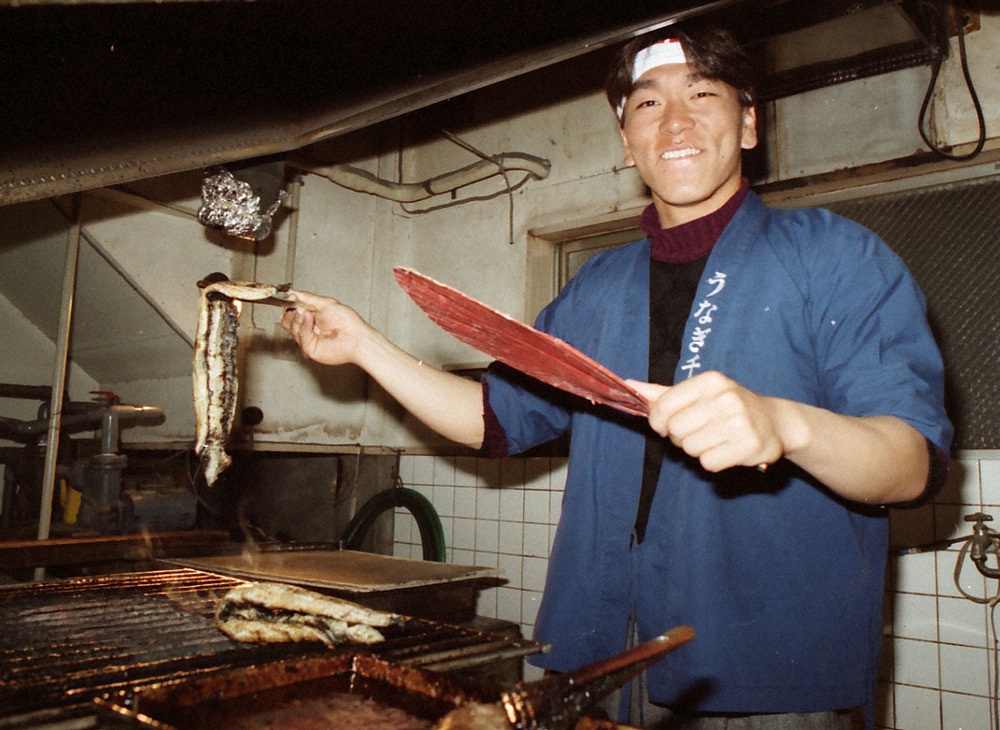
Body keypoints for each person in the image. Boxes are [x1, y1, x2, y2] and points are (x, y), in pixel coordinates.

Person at [281, 23, 952, 730]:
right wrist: (365, 348)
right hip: (604, 656)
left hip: (770, 676)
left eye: (703, 93)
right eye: (648, 103)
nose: (677, 121)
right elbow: (495, 419)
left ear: (750, 122)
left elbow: (909, 466)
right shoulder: (597, 287)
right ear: (626, 138)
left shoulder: (838, 258)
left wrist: (786, 425)